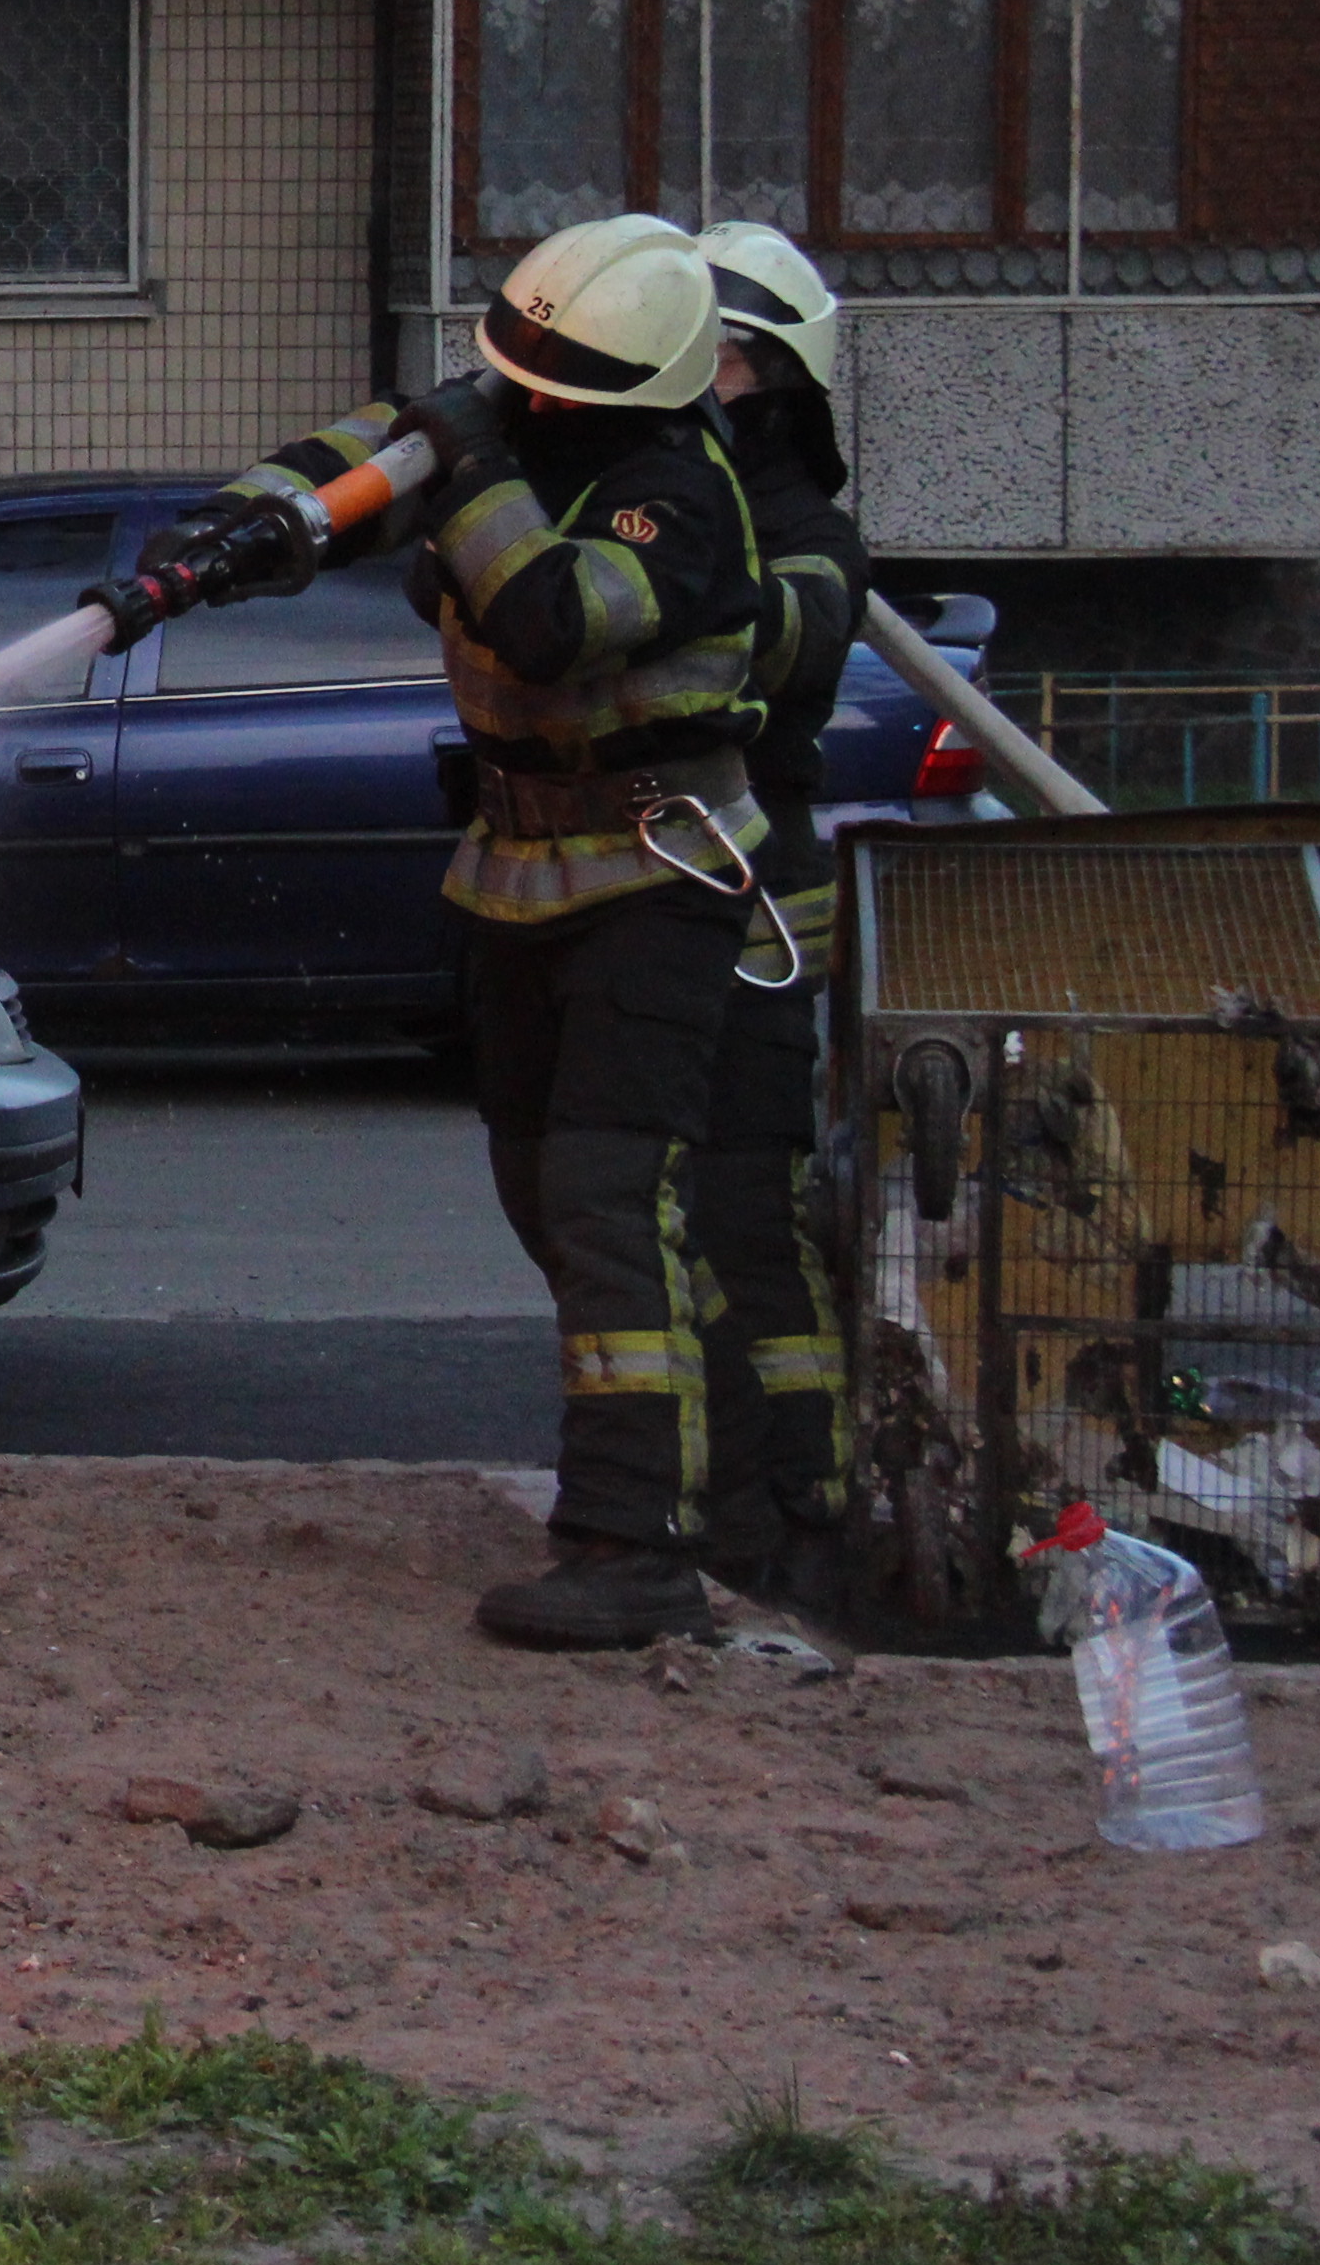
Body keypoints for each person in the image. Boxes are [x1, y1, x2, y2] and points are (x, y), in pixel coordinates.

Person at [118, 216, 777, 1649]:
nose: (518, 403)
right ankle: (710, 1484)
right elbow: (349, 463)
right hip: (522, 874)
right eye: (509, 381)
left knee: (608, 1200)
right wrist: (219, 538)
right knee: (552, 1198)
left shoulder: (679, 496)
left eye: (548, 393)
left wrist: (468, 466)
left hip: (654, 883)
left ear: (630, 388)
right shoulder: (517, 413)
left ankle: (637, 1550)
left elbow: (547, 616)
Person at [690, 223, 863, 1608]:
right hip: (671, 893)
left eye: (715, 357)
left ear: (771, 383)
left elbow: (749, 637)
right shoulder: (677, 495)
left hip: (750, 909)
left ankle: (797, 1495)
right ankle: (713, 1492)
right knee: (658, 1206)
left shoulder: (803, 541)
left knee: (741, 1206)